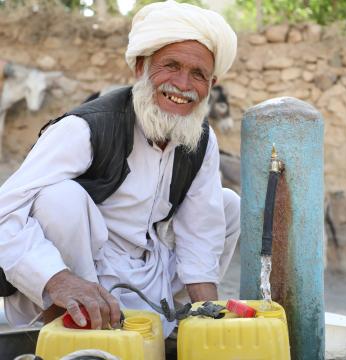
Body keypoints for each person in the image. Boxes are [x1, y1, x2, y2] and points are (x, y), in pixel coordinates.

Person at [0, 0, 239, 338]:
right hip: (79, 270)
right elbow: (4, 211)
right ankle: (72, 324)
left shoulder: (200, 138)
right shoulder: (86, 127)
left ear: (210, 85)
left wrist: (209, 322)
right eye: (170, 65)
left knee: (228, 205)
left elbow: (202, 231)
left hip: (149, 271)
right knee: (59, 199)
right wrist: (59, 280)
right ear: (141, 67)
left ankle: (181, 324)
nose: (183, 84)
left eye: (198, 74)